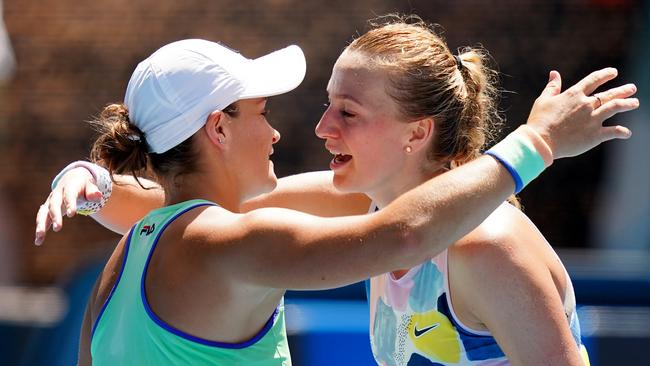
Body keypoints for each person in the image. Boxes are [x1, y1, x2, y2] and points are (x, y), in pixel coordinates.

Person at [35, 20, 638, 366]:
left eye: (347, 110)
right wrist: (538, 142)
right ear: (216, 128)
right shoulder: (332, 222)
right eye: (264, 112)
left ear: (417, 133)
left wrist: (88, 183)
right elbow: (402, 236)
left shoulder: (487, 246)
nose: (315, 128)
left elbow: (175, 210)